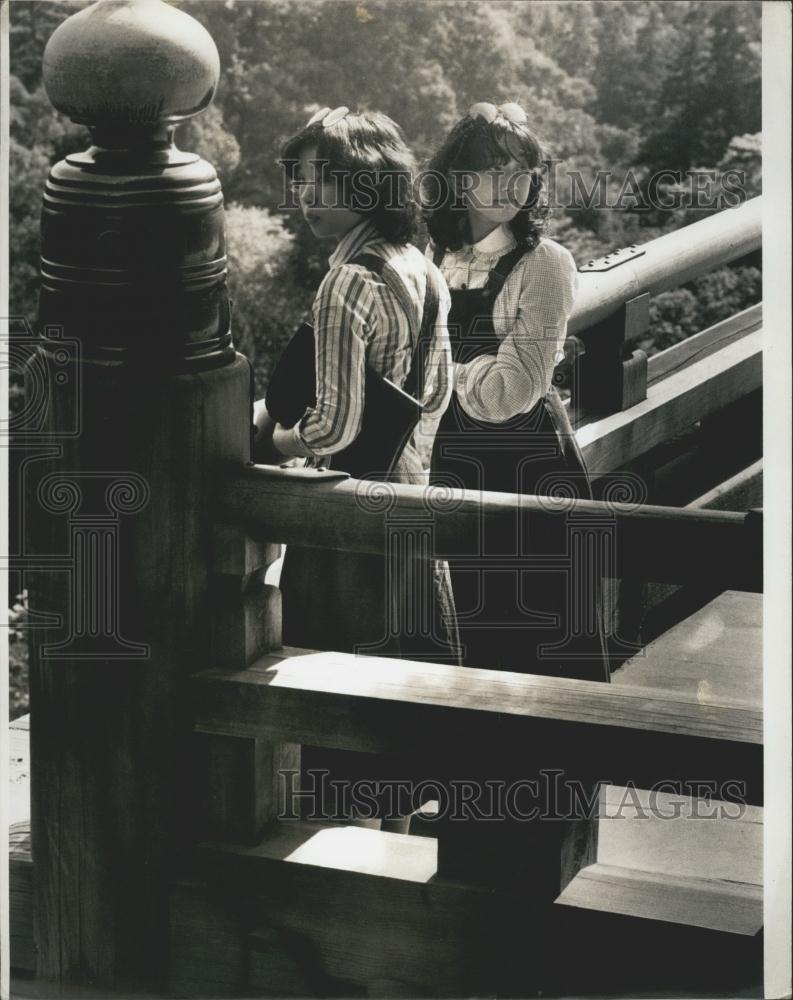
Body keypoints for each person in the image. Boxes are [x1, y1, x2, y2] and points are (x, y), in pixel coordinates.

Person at [252, 106, 462, 826]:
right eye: (301, 182)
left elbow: (334, 428)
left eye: (322, 182)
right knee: (399, 722)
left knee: (335, 725)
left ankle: (337, 873)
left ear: (367, 183)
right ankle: (393, 856)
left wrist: (273, 439)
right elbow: (436, 396)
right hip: (410, 511)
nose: (305, 199)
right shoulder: (422, 268)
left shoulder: (347, 282)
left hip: (345, 527)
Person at [423, 100, 610, 683]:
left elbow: (510, 393)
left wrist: (437, 369)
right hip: (452, 463)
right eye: (493, 169)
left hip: (528, 466)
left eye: (522, 171)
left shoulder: (544, 263)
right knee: (470, 634)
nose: (511, 184)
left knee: (543, 633)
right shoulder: (435, 254)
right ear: (458, 178)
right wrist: (471, 369)